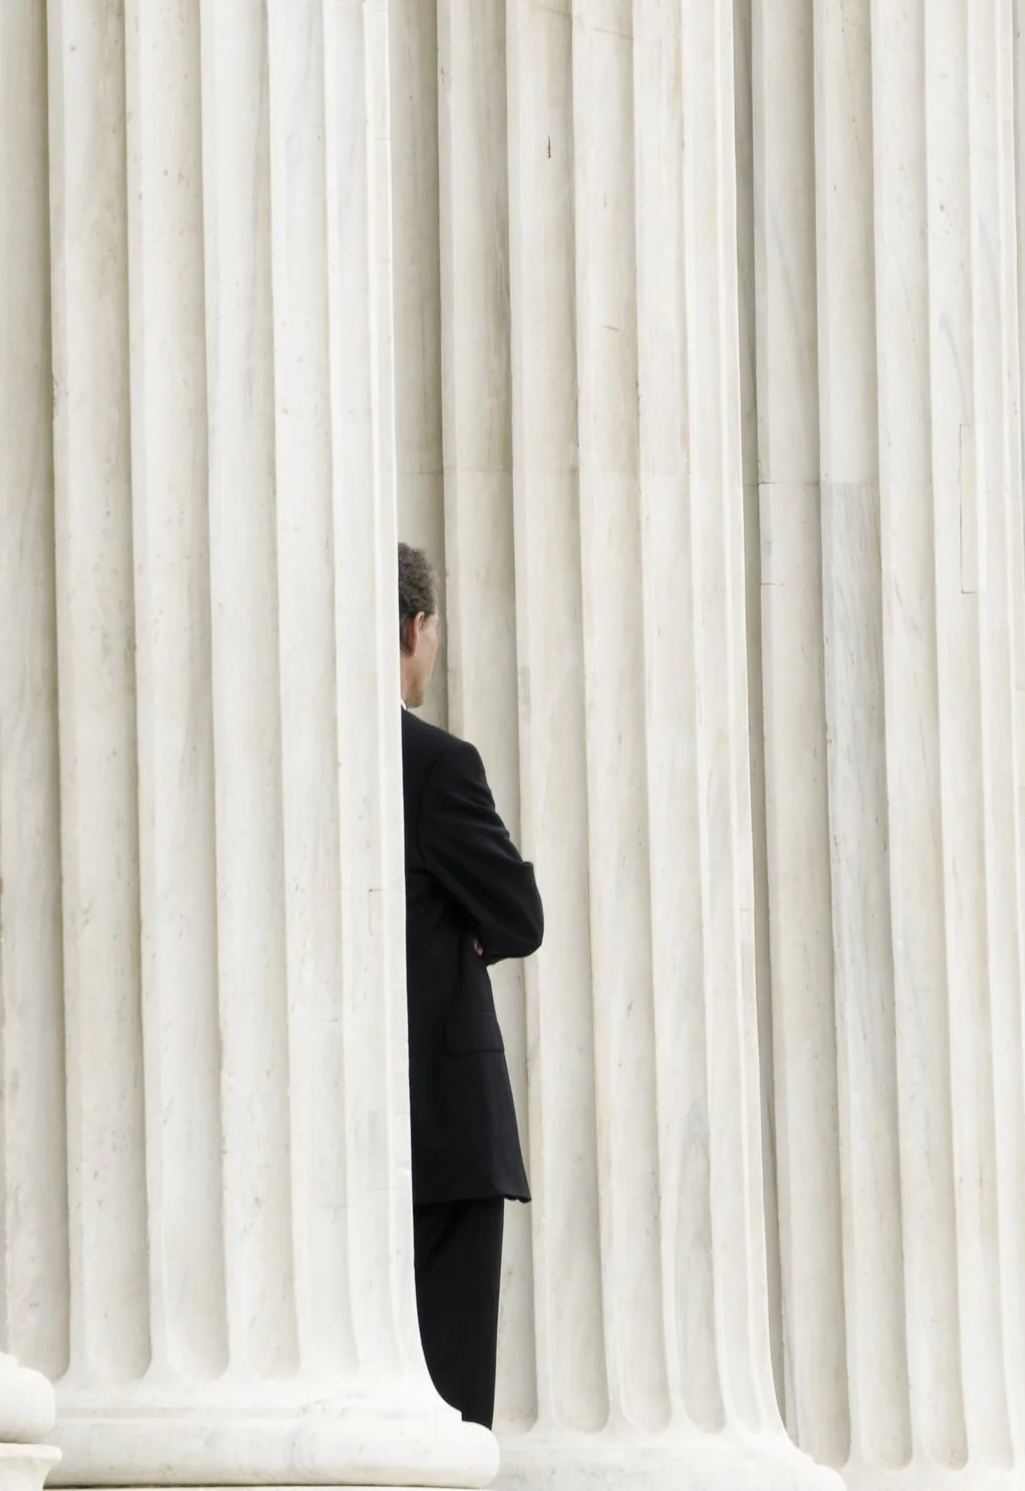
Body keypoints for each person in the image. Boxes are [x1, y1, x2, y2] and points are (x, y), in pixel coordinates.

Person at [397, 542, 542, 1429]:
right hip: (445, 1136)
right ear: (415, 628)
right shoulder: (438, 766)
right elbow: (520, 917)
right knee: (450, 1404)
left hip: (337, 1139)